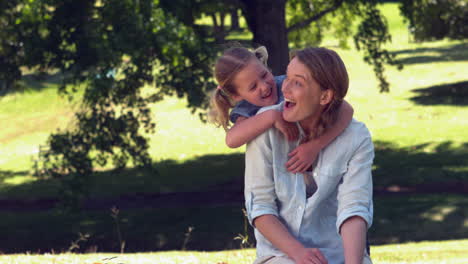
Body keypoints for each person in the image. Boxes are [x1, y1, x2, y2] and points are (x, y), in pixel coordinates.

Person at [244, 47, 374, 264]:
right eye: (287, 77)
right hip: (281, 256)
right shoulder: (264, 127)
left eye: (298, 82)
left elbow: (354, 209)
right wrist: (299, 254)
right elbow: (260, 208)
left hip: (340, 254)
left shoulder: (356, 137)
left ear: (325, 96)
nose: (285, 88)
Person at [209, 47, 354, 173]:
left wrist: (315, 146)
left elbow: (346, 109)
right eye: (253, 87)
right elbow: (231, 140)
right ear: (237, 95)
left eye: (264, 75)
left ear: (266, 67)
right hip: (282, 172)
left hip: (322, 161)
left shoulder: (287, 84)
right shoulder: (247, 107)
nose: (264, 86)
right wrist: (272, 116)